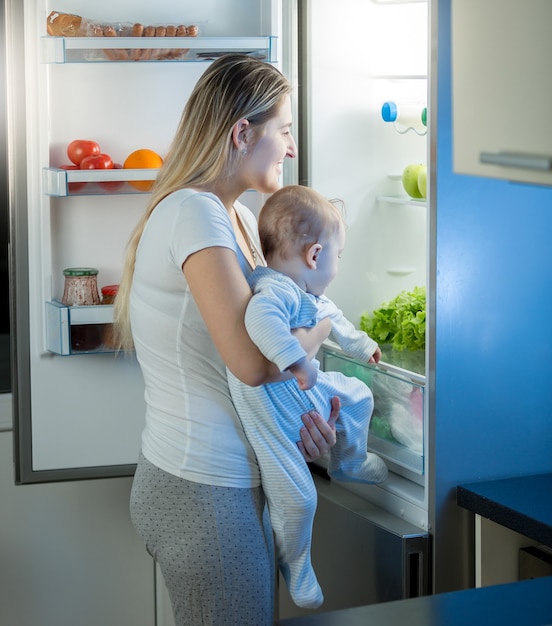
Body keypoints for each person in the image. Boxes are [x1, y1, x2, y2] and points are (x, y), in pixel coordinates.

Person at [113, 55, 340, 626]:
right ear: (243, 132)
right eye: (284, 130)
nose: (291, 147)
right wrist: (327, 326)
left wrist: (300, 425)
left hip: (211, 481)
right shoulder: (196, 213)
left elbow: (260, 355)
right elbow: (253, 363)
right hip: (200, 489)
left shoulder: (231, 214)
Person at [228, 184, 388, 610]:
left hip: (305, 396)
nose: (337, 266)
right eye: (338, 256)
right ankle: (295, 565)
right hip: (273, 418)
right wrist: (299, 364)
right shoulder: (272, 291)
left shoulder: (308, 295)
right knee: (300, 499)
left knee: (358, 395)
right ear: (315, 256)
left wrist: (363, 346)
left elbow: (334, 320)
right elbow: (262, 325)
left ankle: (349, 460)